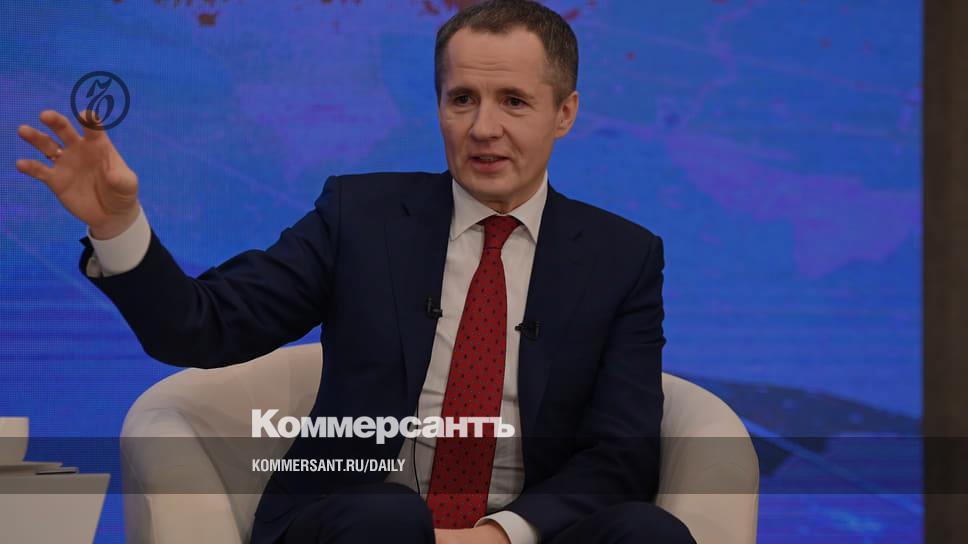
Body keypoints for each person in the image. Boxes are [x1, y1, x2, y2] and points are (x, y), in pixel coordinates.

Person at [15, 1, 694, 543]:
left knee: (649, 531)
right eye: (462, 99)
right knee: (391, 519)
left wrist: (499, 534)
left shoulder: (623, 257)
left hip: (526, 529)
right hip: (361, 520)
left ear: (564, 113)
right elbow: (203, 328)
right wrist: (117, 226)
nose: (483, 128)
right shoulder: (361, 218)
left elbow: (622, 453)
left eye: (513, 101)